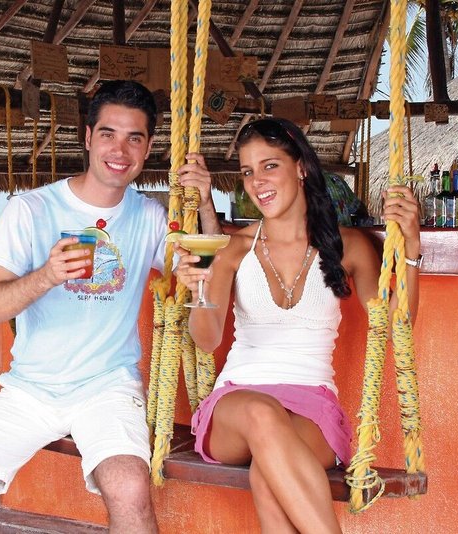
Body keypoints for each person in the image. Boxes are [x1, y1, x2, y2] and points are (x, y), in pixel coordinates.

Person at [0, 80, 220, 534]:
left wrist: (204, 205)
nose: (120, 150)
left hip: (108, 387)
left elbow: (202, 268)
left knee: (129, 487)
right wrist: (46, 275)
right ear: (88, 138)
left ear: (148, 148)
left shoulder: (150, 216)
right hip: (31, 391)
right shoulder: (30, 210)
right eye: (108, 134)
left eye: (134, 138)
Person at [175, 117, 421, 533]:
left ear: (301, 167)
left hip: (312, 407)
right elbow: (206, 338)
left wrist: (412, 250)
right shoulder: (234, 248)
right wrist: (199, 289)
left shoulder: (348, 247)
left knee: (268, 473)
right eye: (248, 171)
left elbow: (396, 327)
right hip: (237, 405)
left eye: (269, 165)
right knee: (263, 413)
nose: (257, 181)